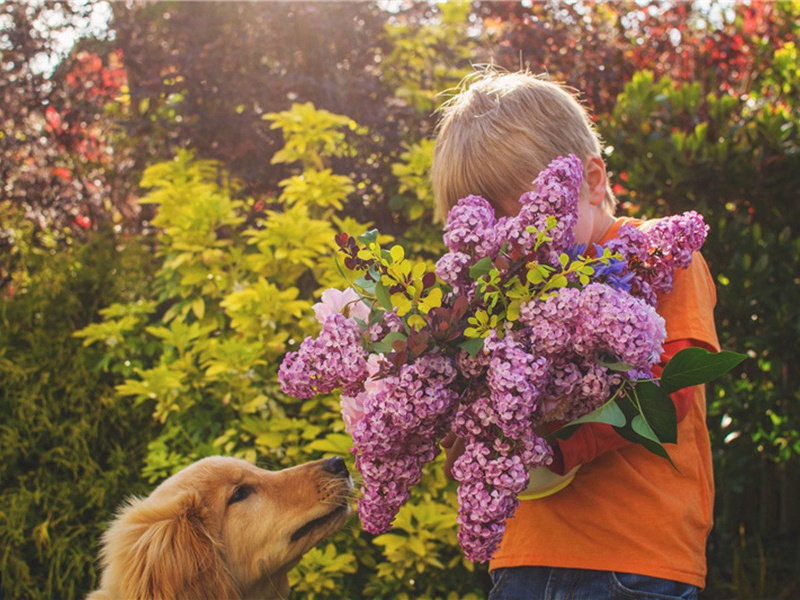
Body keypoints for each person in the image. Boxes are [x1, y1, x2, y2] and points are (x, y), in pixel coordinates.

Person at [431, 70, 720, 600]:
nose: (515, 248)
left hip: (631, 558)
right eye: (494, 234)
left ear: (591, 180)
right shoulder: (495, 295)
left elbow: (669, 391)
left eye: (530, 221)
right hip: (525, 552)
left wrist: (558, 446)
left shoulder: (659, 255)